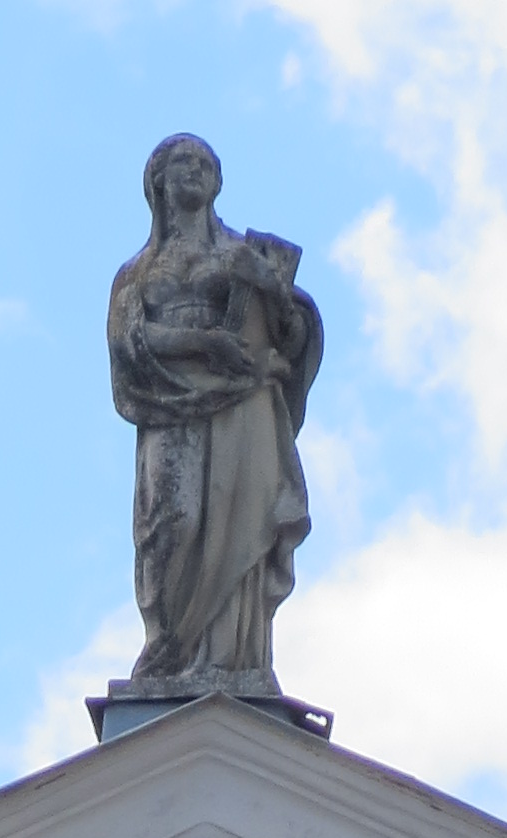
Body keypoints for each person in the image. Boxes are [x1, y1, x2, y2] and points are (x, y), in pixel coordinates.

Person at [108, 135, 324, 695]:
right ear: (158, 181)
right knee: (172, 522)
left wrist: (275, 294)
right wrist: (203, 342)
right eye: (184, 163)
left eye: (207, 164)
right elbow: (130, 342)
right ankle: (170, 652)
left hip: (242, 402)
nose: (197, 171)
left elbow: (293, 335)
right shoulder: (137, 271)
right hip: (169, 400)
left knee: (239, 515)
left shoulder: (241, 254)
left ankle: (228, 660)